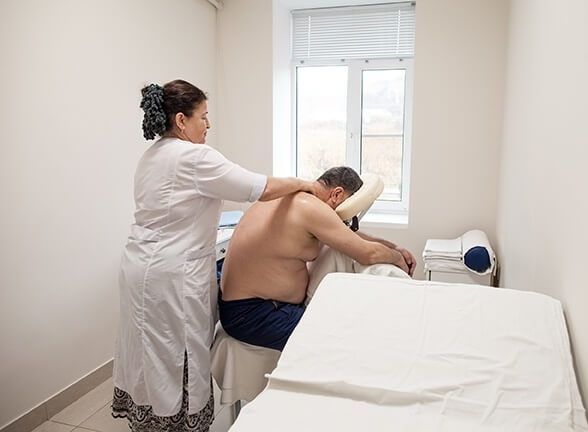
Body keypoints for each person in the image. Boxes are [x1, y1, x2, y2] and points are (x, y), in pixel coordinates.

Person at [112, 79, 324, 432]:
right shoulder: (194, 157)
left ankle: (152, 421)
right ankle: (177, 423)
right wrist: (303, 183)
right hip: (172, 275)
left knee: (148, 351)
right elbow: (260, 188)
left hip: (138, 267)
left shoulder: (151, 155)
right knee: (177, 352)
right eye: (203, 116)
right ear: (181, 120)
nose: (208, 125)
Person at [218, 166, 417, 351]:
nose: (345, 219)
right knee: (347, 338)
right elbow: (368, 253)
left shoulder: (294, 198)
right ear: (337, 194)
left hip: (254, 307)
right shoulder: (310, 207)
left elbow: (347, 235)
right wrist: (398, 258)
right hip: (253, 314)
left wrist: (393, 247)